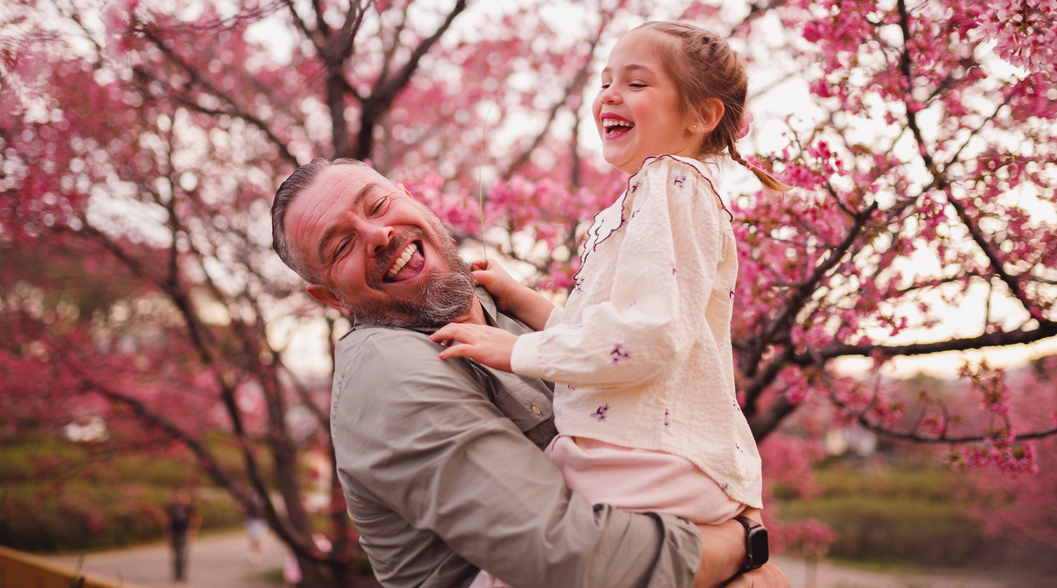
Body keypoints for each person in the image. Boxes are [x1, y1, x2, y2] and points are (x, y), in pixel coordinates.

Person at [271, 156, 789, 588]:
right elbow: (563, 551)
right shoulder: (383, 365)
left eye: (379, 204)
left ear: (411, 197)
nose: (378, 233)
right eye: (340, 246)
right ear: (329, 297)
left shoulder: (509, 313)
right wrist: (741, 545)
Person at [430, 22, 787, 588]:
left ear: (702, 116)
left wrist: (517, 350)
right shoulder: (649, 193)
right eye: (604, 82)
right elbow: (606, 333)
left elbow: (652, 338)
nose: (610, 96)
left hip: (650, 459)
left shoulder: (675, 183)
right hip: (627, 456)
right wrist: (521, 298)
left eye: (637, 84)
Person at [163, 489, 200, 582]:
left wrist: (193, 530)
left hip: (184, 533)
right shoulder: (172, 508)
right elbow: (166, 520)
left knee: (183, 554)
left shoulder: (189, 507)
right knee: (176, 555)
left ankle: (182, 574)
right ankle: (177, 574)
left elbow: (195, 518)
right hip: (174, 533)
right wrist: (167, 533)